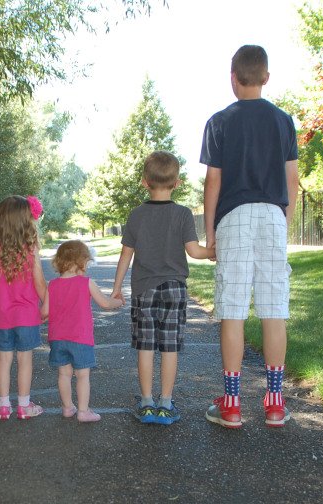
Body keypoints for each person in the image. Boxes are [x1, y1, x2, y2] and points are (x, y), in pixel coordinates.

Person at [200, 45, 300, 428]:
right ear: (266, 78)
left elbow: (214, 181)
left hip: (235, 218)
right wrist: (283, 221)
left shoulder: (220, 121)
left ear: (233, 77)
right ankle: (275, 403)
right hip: (273, 215)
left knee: (234, 310)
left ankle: (232, 402)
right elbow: (291, 179)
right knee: (274, 309)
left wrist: (210, 235)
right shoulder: (283, 121)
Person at [112, 151, 215, 425]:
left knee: (146, 347)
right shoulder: (182, 214)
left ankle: (146, 403)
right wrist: (212, 252)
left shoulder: (135, 215)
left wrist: (116, 288)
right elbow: (194, 251)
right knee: (169, 347)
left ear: (145, 182)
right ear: (177, 183)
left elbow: (126, 255)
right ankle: (166, 404)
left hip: (144, 289)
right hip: (174, 289)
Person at [0, 195, 47, 420]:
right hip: (27, 316)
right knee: (25, 360)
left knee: (4, 359)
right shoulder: (30, 249)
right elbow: (40, 284)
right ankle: (24, 405)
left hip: (1, 316)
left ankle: (4, 406)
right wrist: (48, 306)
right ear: (26, 221)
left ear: (0, 220)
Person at [40, 240, 122, 423]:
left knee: (64, 374)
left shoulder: (52, 285)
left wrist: (45, 316)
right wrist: (117, 302)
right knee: (82, 375)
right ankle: (83, 411)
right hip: (80, 338)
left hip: (57, 338)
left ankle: (68, 407)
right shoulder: (86, 283)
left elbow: (44, 311)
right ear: (83, 262)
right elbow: (105, 304)